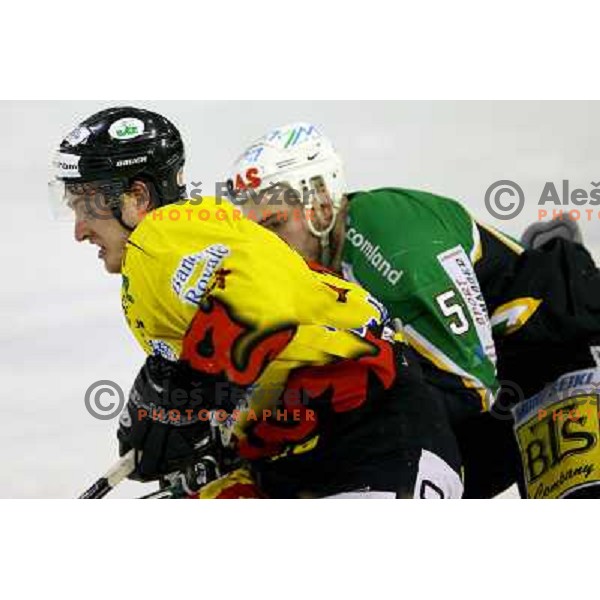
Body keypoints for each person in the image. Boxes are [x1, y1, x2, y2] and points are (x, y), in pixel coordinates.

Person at [51, 106, 463, 499]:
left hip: (378, 444)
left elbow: (263, 301)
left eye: (85, 207)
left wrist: (190, 387)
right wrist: (198, 435)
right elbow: (253, 369)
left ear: (137, 198)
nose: (79, 230)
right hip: (320, 456)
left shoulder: (159, 238)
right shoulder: (175, 250)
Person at [226, 122, 600, 498]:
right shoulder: (310, 263)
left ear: (321, 203)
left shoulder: (392, 242)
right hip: (483, 379)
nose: (266, 246)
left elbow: (473, 384)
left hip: (547, 354)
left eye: (274, 225)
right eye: (256, 233)